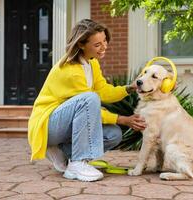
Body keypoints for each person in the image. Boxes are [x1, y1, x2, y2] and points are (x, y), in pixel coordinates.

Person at [28, 19, 146, 182]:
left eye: (104, 40)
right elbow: (89, 106)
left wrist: (129, 88)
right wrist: (123, 119)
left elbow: (104, 91)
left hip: (64, 123)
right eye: (97, 44)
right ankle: (77, 163)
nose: (104, 46)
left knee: (113, 134)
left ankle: (63, 152)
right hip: (48, 124)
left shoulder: (91, 63)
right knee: (89, 99)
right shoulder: (71, 71)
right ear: (81, 45)